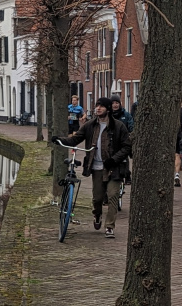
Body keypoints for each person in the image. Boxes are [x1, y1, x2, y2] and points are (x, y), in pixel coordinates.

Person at [55, 96, 132, 239]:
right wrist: (60, 140)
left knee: (113, 195)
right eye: (97, 105)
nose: (98, 108)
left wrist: (113, 160)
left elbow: (127, 146)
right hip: (96, 168)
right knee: (97, 199)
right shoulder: (90, 125)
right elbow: (76, 138)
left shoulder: (119, 126)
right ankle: (97, 215)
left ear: (108, 109)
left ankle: (109, 227)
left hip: (114, 168)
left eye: (101, 106)